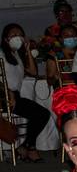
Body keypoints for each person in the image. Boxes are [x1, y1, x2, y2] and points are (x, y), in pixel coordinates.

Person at [1, 23, 49, 162]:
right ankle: (30, 148)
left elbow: (33, 72)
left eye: (20, 35)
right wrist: (7, 92)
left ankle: (26, 146)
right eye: (13, 35)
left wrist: (27, 50)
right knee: (39, 114)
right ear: (5, 39)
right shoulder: (1, 53)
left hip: (14, 96)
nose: (17, 37)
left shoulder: (16, 55)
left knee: (42, 113)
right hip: (3, 96)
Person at [45, 22, 77, 87]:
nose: (71, 38)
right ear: (60, 39)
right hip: (64, 93)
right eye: (67, 36)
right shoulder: (54, 55)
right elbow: (49, 82)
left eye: (73, 35)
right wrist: (55, 77)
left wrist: (66, 54)